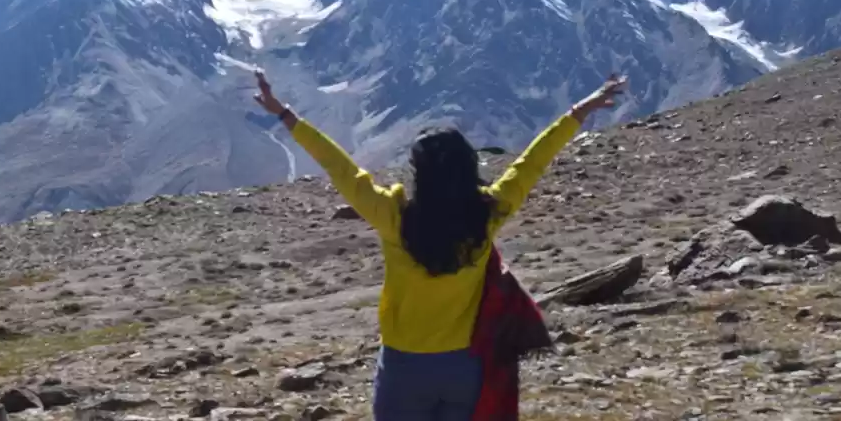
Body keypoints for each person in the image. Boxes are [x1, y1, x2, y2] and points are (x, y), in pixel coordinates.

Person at [253, 70, 628, 421]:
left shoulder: (392, 217)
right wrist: (580, 111)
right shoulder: (487, 215)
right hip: (465, 365)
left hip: (403, 367)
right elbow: (532, 162)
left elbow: (340, 168)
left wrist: (284, 114)